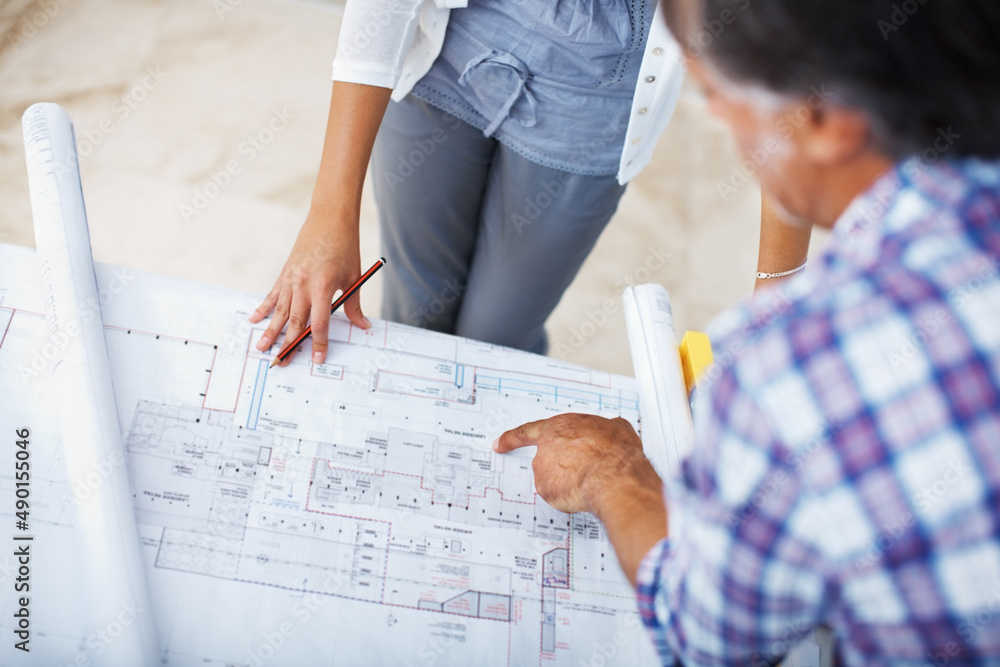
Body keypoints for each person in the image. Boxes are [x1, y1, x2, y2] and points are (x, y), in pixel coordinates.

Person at [495, 0, 1000, 664]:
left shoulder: (787, 372)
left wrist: (614, 473)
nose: (717, 118)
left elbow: (712, 638)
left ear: (821, 120)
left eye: (719, 94)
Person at [249, 0, 812, 364]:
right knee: (417, 310)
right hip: (448, 52)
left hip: (594, 96)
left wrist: (777, 293)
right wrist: (329, 212)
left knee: (497, 339)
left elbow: (794, 77)